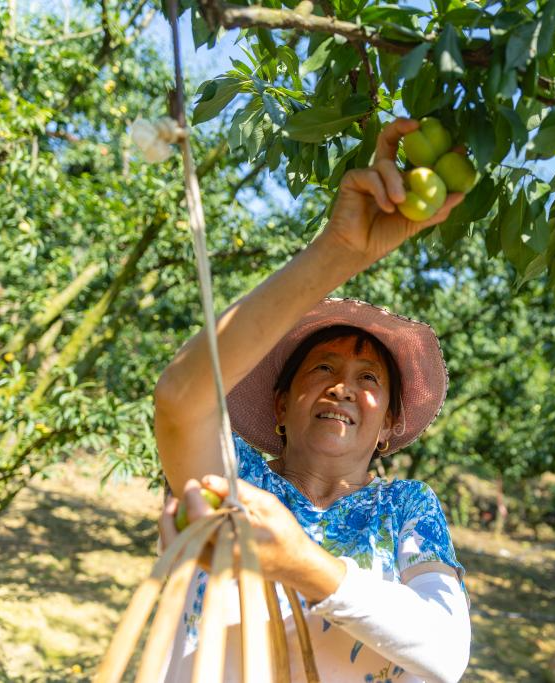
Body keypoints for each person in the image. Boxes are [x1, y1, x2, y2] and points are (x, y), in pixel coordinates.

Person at [154, 118, 470, 682]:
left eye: (369, 379)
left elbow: (445, 651)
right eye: (322, 367)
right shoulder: (237, 477)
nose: (343, 386)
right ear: (280, 404)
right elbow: (180, 398)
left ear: (388, 424)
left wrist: (304, 566)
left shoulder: (404, 510)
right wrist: (339, 250)